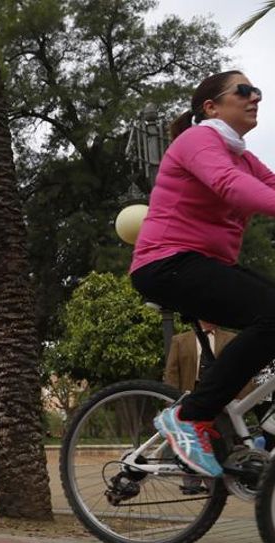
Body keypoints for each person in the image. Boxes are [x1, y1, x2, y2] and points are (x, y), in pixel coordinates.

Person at [130, 70, 275, 478]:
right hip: (166, 263)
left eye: (258, 92)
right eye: (244, 91)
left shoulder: (243, 156)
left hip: (206, 266)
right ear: (211, 106)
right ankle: (191, 417)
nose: (255, 98)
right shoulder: (198, 140)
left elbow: (270, 184)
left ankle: (242, 430)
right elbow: (229, 185)